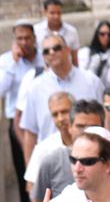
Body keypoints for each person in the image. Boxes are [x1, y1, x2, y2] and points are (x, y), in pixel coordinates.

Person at [20, 33, 103, 161]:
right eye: (46, 51)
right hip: (49, 159)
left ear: (67, 49)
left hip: (89, 158)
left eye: (56, 48)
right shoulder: (35, 88)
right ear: (43, 57)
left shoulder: (92, 82)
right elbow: (30, 132)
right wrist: (30, 168)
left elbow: (104, 122)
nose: (51, 52)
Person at [0, 20, 43, 202]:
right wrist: (14, 64)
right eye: (20, 38)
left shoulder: (44, 56)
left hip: (41, 121)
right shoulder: (7, 61)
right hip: (18, 125)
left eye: (27, 38)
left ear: (34, 38)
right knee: (25, 176)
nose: (24, 42)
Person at [32, 98, 105, 202]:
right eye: (80, 126)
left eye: (92, 127)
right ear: (70, 127)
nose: (86, 132)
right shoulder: (51, 161)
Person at [34, 0, 80, 66]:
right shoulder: (36, 31)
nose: (56, 16)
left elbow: (74, 58)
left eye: (59, 13)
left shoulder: (72, 31)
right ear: (45, 12)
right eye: (52, 13)